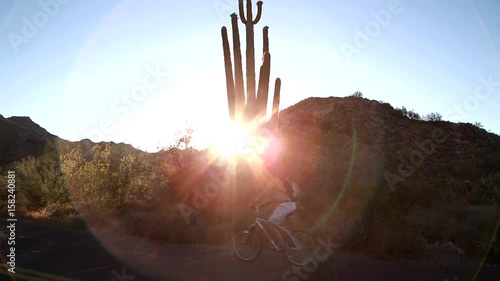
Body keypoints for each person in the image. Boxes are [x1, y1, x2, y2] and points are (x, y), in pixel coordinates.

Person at [247, 127, 296, 251]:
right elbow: (272, 198)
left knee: (270, 223)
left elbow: (265, 193)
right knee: (276, 225)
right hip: (288, 204)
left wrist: (253, 202)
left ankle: (283, 246)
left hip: (286, 205)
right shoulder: (279, 182)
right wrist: (261, 205)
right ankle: (282, 242)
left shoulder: (274, 180)